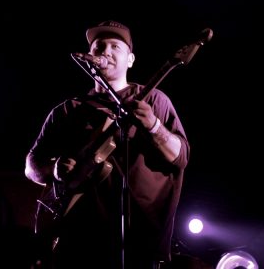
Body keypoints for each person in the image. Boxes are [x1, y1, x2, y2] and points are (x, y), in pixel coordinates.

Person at [24, 20, 190, 269]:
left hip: (140, 240)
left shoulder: (155, 100)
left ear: (131, 59)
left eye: (116, 46)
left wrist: (154, 126)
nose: (106, 52)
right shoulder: (68, 111)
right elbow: (31, 166)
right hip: (79, 241)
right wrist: (54, 169)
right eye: (99, 46)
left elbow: (180, 157)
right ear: (89, 57)